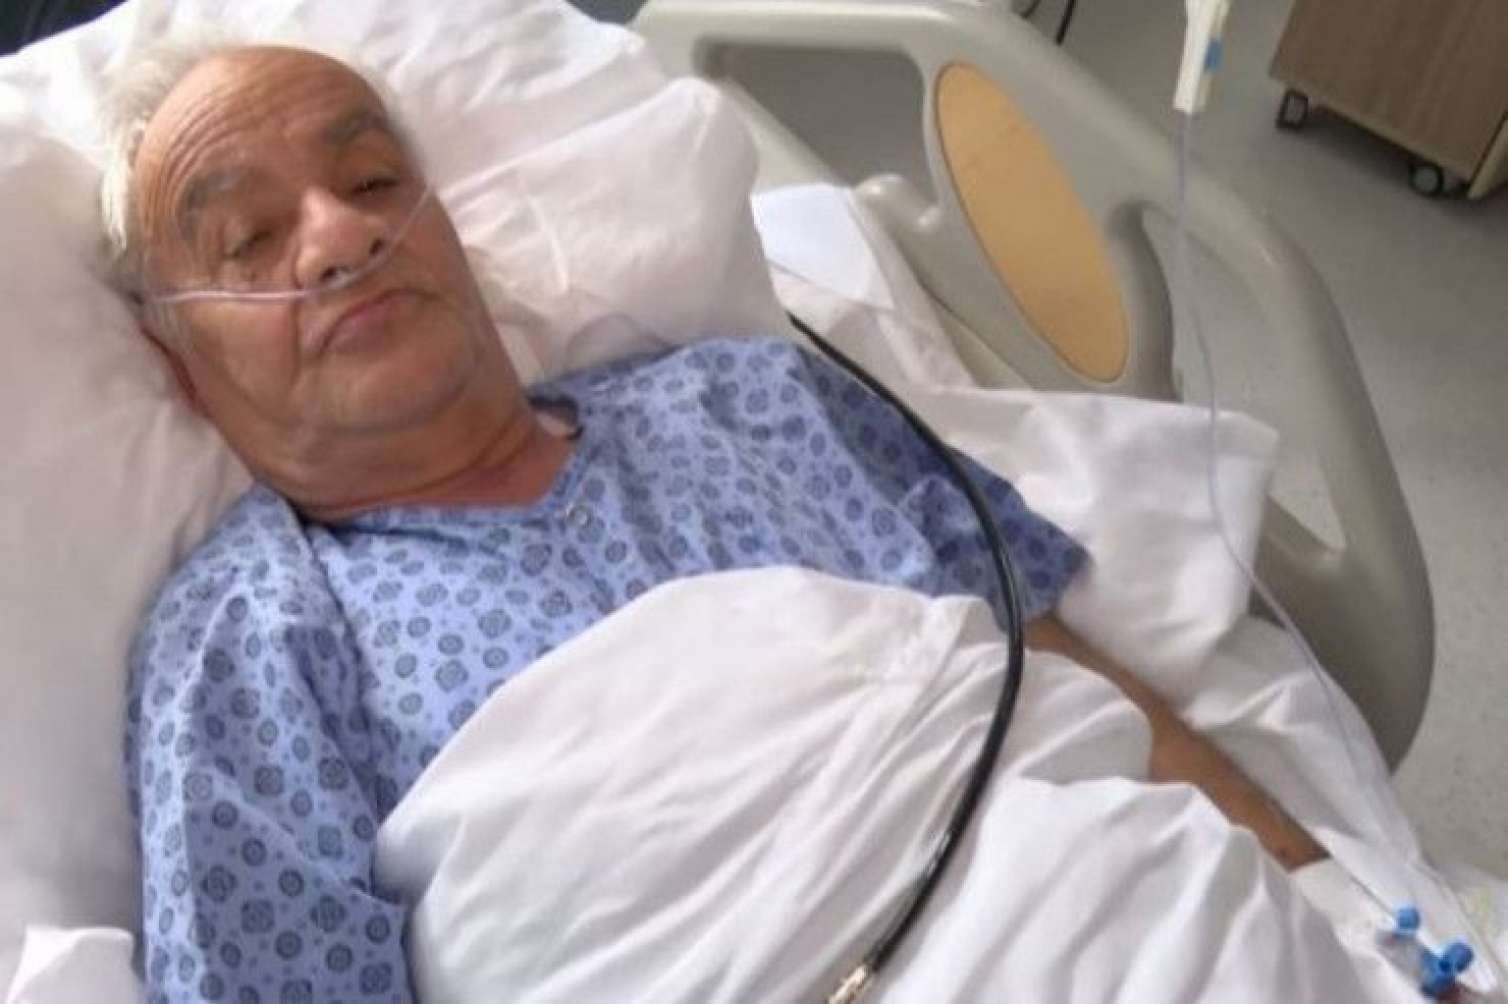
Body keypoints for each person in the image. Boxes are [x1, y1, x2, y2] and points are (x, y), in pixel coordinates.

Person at [109, 41, 1324, 1003]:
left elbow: (1050, 670)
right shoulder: (246, 637)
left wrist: (1325, 897)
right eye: (249, 239)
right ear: (183, 370)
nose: (342, 234)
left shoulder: (751, 399)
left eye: (374, 181)